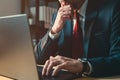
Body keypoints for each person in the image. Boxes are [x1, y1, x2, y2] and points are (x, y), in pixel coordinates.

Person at [35, 0, 120, 77]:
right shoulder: (58, 16)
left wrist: (83, 66)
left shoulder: (113, 8)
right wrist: (54, 30)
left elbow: (117, 59)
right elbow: (38, 59)